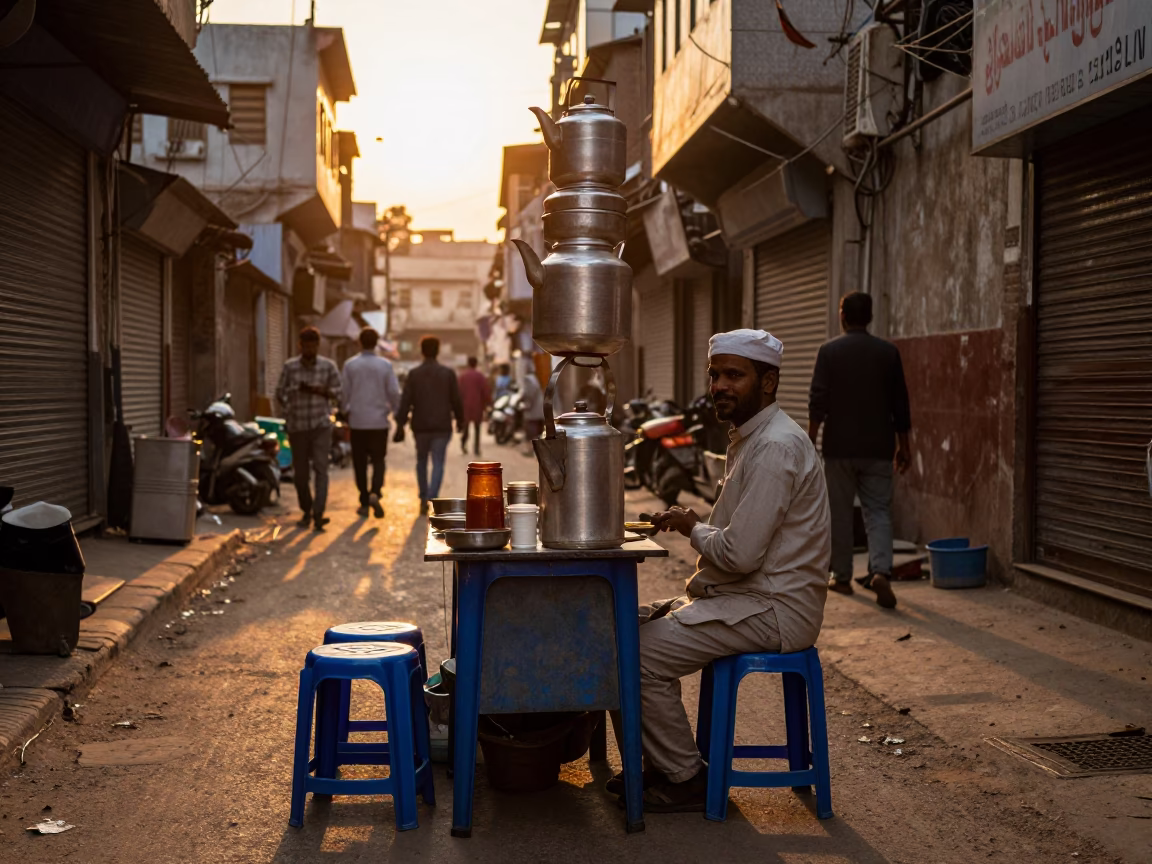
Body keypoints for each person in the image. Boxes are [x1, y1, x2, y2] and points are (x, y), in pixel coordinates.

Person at [611, 329, 831, 813]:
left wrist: (693, 528)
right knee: (615, 628)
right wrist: (694, 524)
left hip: (773, 607)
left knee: (633, 654)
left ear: (768, 382)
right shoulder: (750, 439)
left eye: (735, 375)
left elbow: (739, 554)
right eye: (715, 375)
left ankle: (685, 777)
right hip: (747, 595)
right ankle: (658, 763)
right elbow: (741, 536)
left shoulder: (774, 448)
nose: (720, 386)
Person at [808, 291, 911, 610]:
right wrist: (904, 446)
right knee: (878, 511)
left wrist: (810, 440)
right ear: (869, 317)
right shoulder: (888, 352)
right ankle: (880, 570)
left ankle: (841, 576)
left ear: (843, 315)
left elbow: (818, 399)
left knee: (838, 512)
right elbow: (901, 403)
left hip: (839, 447)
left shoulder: (829, 351)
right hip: (879, 447)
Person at [275, 326, 342, 531]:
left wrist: (321, 391)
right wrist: (289, 403)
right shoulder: (290, 367)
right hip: (297, 426)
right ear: (300, 346)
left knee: (321, 469)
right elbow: (279, 393)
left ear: (318, 346)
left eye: (313, 346)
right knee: (301, 474)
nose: (310, 350)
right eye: (306, 346)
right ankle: (307, 509)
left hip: (321, 425)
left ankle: (319, 513)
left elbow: (339, 393)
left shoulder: (328, 367)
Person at [393, 335, 463, 513]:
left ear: (422, 351)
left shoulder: (414, 374)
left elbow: (406, 400)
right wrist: (460, 420)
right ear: (437, 351)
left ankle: (423, 497)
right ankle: (433, 496)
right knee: (438, 461)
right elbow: (456, 400)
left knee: (421, 461)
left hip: (420, 425)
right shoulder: (447, 374)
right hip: (442, 425)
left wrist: (400, 423)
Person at [341, 327, 400, 519]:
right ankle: (375, 492)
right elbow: (393, 392)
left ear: (359, 342)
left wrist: (344, 411)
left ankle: (364, 500)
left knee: (359, 463)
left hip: (357, 422)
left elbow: (344, 393)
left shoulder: (350, 365)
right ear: (376, 343)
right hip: (379, 422)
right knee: (378, 460)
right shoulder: (385, 365)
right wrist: (396, 413)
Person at [457, 356, 491, 457]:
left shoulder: (462, 376)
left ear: (468, 363)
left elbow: (458, 391)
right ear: (476, 364)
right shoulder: (480, 376)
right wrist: (488, 403)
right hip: (478, 405)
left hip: (465, 405)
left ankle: (463, 443)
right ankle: (476, 448)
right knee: (477, 428)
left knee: (465, 427)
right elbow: (485, 391)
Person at [519, 363, 544, 454]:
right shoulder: (535, 379)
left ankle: (530, 450)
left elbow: (529, 394)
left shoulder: (528, 379)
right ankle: (534, 450)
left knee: (531, 431)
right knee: (536, 431)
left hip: (532, 410)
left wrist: (526, 404)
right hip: (538, 410)